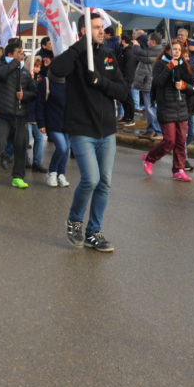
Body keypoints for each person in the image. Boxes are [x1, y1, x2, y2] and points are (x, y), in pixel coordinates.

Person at [51, 13, 129, 253]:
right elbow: (56, 69)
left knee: (104, 183)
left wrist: (101, 82)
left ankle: (93, 232)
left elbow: (123, 90)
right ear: (84, 30)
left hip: (105, 130)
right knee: (91, 179)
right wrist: (78, 47)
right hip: (81, 129)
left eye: (101, 27)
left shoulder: (107, 55)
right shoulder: (76, 55)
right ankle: (75, 220)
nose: (101, 31)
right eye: (95, 27)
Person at [141, 40, 194, 181]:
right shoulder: (161, 63)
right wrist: (169, 67)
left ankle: (178, 170)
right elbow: (157, 83)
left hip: (181, 108)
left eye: (179, 49)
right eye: (174, 49)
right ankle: (149, 159)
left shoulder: (184, 65)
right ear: (167, 50)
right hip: (166, 107)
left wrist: (185, 86)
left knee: (180, 142)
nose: (177, 52)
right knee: (169, 141)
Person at [0, 40, 36, 189]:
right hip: (2, 114)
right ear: (10, 54)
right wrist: (14, 64)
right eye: (19, 52)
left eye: (22, 52)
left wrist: (25, 95)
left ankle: (17, 177)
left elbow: (34, 93)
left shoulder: (26, 72)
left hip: (20, 116)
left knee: (20, 146)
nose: (22, 55)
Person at [36, 66, 69, 187]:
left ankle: (61, 174)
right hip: (52, 121)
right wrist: (41, 123)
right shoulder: (45, 82)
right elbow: (39, 104)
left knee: (66, 150)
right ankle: (52, 172)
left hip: (67, 122)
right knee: (62, 148)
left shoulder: (69, 80)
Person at [131, 32, 163, 138]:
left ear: (153, 42)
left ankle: (157, 131)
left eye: (148, 40)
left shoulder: (157, 51)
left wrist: (136, 46)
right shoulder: (154, 50)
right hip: (148, 83)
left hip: (150, 84)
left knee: (151, 108)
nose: (147, 41)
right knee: (149, 108)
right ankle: (151, 129)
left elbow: (143, 56)